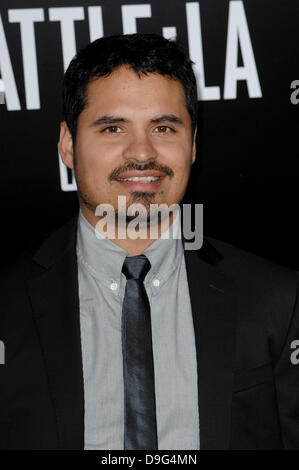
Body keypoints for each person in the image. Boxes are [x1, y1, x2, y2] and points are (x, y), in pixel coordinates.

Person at [0, 33, 299, 451]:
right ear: (68, 146)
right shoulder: (6, 306)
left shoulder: (278, 302)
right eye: (112, 127)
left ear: (192, 145)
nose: (142, 152)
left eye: (163, 127)